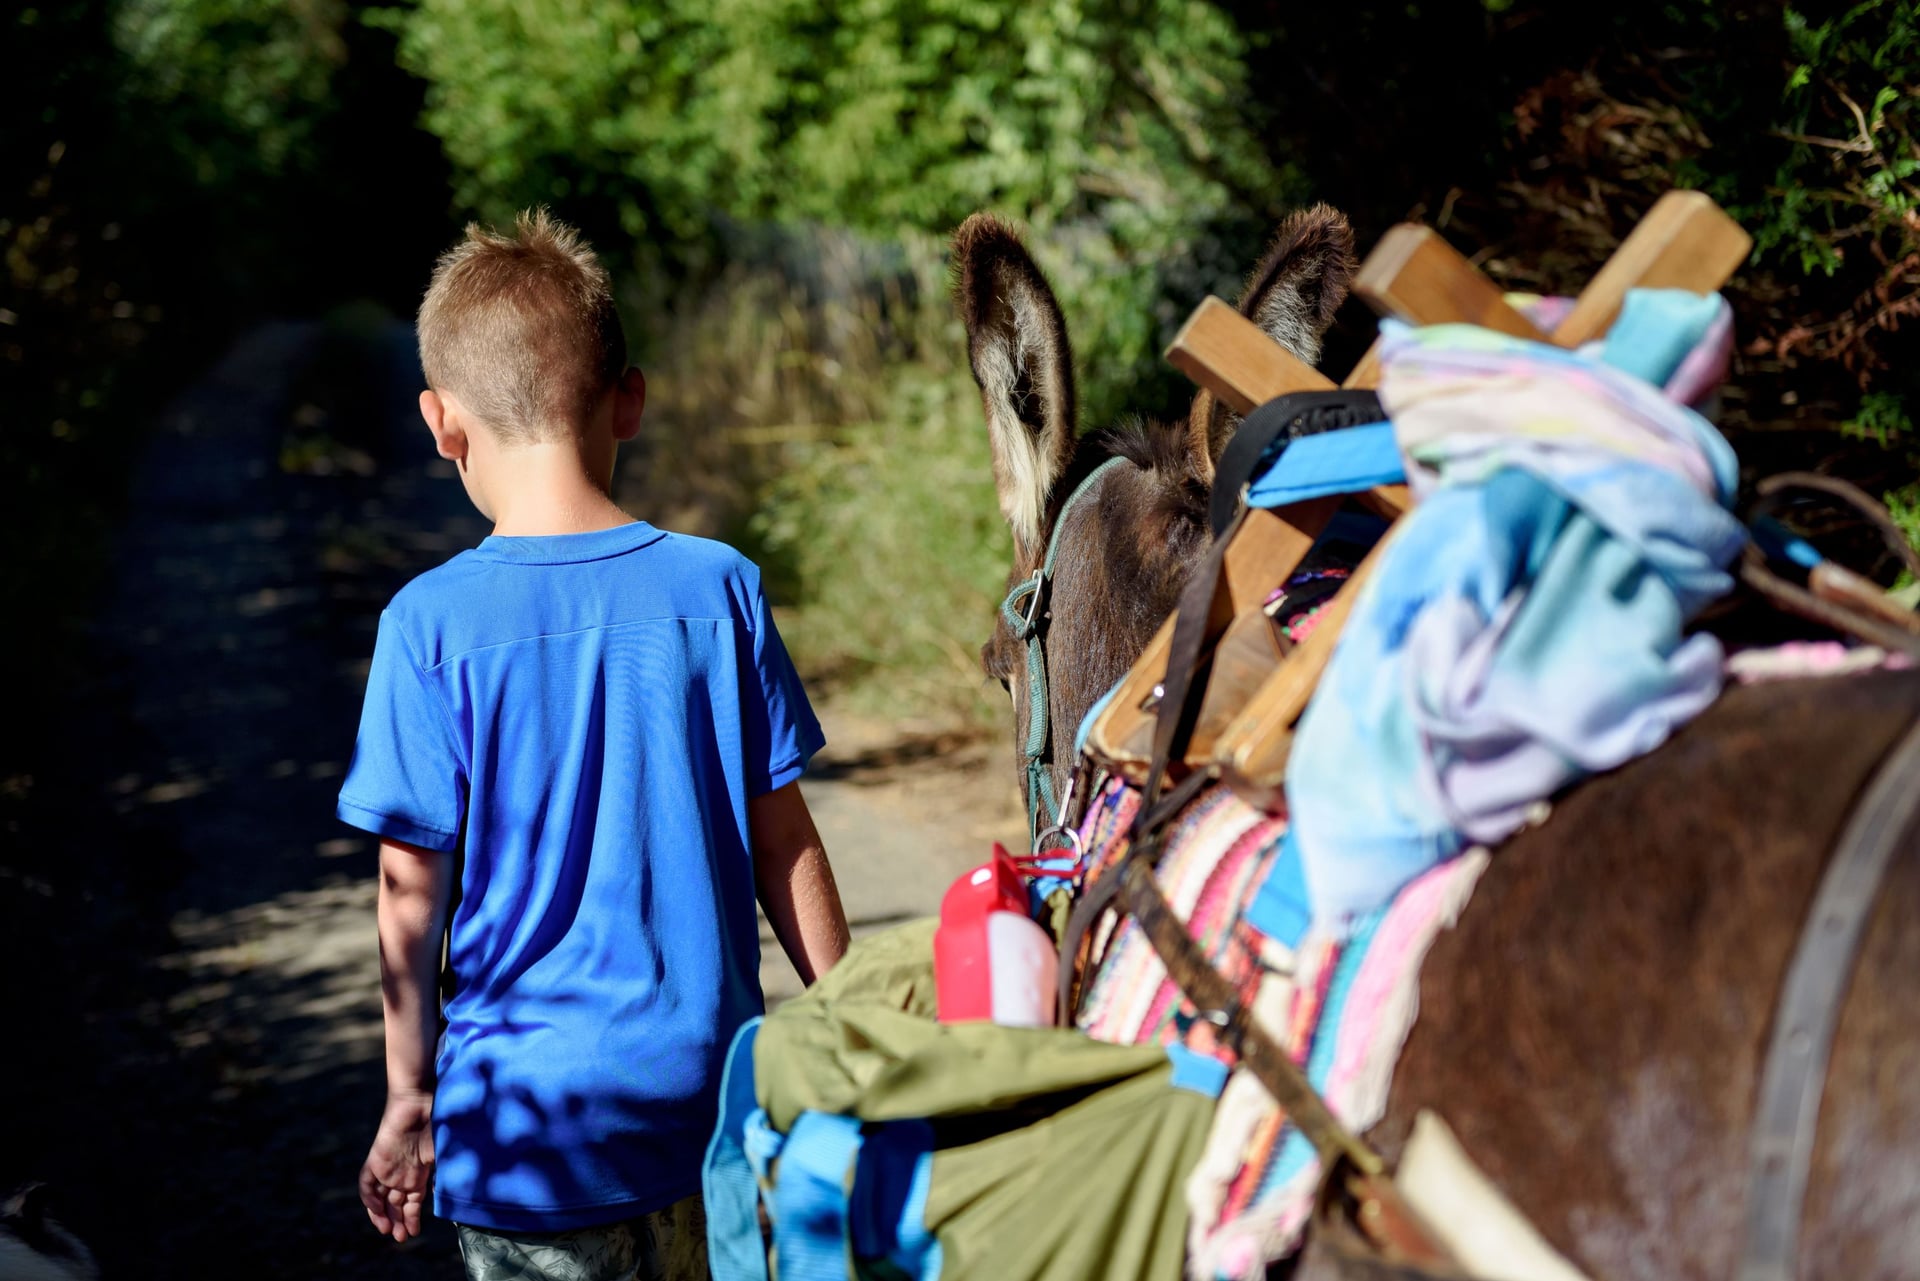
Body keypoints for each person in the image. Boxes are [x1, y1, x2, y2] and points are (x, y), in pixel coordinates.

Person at [336, 209, 851, 1281]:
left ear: (443, 423)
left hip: (529, 1128)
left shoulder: (427, 627)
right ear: (631, 398)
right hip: (708, 1107)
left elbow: (408, 892)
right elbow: (787, 844)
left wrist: (409, 1096)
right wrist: (853, 1031)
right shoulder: (719, 589)